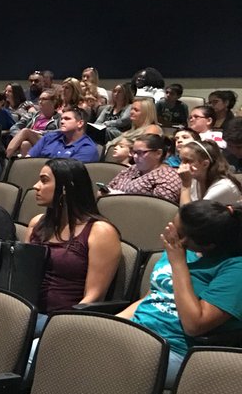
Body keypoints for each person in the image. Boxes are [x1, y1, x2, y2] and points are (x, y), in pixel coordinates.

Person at [119, 200, 242, 384]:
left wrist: (178, 264)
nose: (170, 233)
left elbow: (194, 325)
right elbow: (155, 295)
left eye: (178, 232)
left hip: (175, 350)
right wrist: (114, 323)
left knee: (100, 361)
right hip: (138, 332)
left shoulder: (235, 269)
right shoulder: (180, 248)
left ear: (207, 244)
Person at [26, 159, 122, 313]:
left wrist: (60, 325)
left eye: (44, 181)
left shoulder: (100, 232)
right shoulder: (37, 223)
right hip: (27, 313)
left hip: (63, 319)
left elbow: (94, 297)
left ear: (65, 188)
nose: (36, 186)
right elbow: (23, 278)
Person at [104, 134, 181, 203]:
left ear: (158, 153)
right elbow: (108, 188)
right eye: (134, 152)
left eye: (140, 153)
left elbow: (159, 208)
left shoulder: (168, 176)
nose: (135, 156)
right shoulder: (133, 168)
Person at [176, 139, 242, 206]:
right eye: (181, 160)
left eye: (187, 161)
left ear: (205, 164)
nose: (181, 165)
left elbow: (190, 215)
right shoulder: (194, 179)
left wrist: (186, 186)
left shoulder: (223, 187)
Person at [28, 108, 99, 163]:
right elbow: (28, 160)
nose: (62, 122)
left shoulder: (87, 148)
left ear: (80, 123)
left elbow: (72, 174)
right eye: (61, 119)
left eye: (67, 119)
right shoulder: (49, 138)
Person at [105, 99, 166, 164]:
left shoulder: (153, 129)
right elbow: (111, 143)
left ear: (146, 113)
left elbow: (143, 149)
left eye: (136, 110)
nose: (131, 112)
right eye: (131, 109)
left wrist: (124, 144)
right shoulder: (130, 131)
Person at [5, 90, 60, 157]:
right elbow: (14, 128)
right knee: (25, 144)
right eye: (39, 99)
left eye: (44, 99)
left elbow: (60, 131)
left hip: (48, 143)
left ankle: (6, 157)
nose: (40, 101)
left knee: (26, 131)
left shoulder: (59, 117)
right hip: (32, 142)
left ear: (53, 102)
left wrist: (37, 133)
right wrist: (23, 136)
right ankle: (28, 167)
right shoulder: (31, 115)